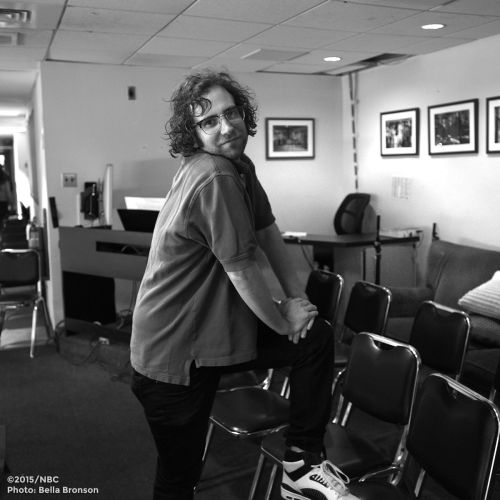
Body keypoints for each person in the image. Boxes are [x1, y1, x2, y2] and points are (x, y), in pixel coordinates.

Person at [130, 69, 359, 500]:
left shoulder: (238, 166)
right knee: (179, 479)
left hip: (209, 335)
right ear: (192, 133)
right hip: (174, 354)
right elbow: (241, 270)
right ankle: (300, 463)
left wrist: (299, 302)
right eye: (209, 121)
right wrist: (281, 321)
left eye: (231, 112)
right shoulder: (213, 175)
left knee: (314, 337)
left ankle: (300, 465)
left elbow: (268, 230)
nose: (226, 125)